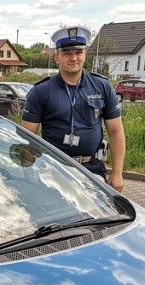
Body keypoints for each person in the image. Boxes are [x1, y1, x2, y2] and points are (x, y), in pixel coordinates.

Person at [22, 25, 125, 192]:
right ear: (57, 57)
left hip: (91, 169)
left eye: (78, 52)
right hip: (53, 169)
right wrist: (28, 172)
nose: (73, 58)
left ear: (85, 55)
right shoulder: (41, 91)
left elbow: (116, 131)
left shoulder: (102, 86)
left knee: (97, 216)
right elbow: (28, 137)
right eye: (67, 53)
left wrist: (117, 172)